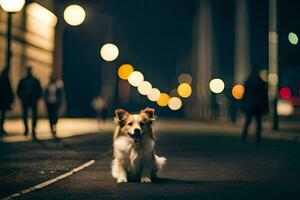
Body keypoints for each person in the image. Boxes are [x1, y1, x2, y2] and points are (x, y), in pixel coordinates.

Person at [241, 67, 269, 144]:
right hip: (258, 105)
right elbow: (264, 96)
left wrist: (243, 104)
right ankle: (258, 139)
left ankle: (244, 136)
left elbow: (244, 95)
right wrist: (266, 107)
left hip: (250, 105)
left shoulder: (248, 81)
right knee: (258, 123)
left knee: (248, 121)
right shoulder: (261, 82)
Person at [17, 66, 42, 137]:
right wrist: (21, 97)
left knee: (34, 115)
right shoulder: (23, 80)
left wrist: (37, 98)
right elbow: (19, 90)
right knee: (25, 115)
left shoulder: (35, 80)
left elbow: (39, 90)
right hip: (25, 100)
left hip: (33, 100)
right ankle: (26, 129)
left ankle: (33, 129)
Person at [0, 68, 14, 136]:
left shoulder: (4, 80)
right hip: (3, 101)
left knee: (2, 115)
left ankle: (1, 128)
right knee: (2, 115)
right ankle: (1, 128)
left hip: (3, 101)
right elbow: (10, 91)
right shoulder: (6, 80)